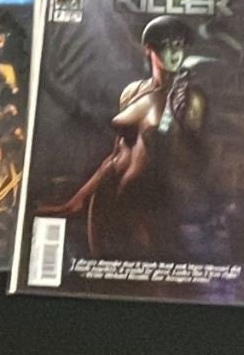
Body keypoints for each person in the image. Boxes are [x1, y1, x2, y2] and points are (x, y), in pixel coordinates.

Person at [39, 16, 207, 258]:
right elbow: (118, 154)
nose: (175, 53)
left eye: (179, 45)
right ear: (149, 49)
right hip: (106, 202)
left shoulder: (191, 100)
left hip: (149, 210)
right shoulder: (132, 92)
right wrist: (79, 198)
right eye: (167, 45)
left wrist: (174, 122)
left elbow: (192, 165)